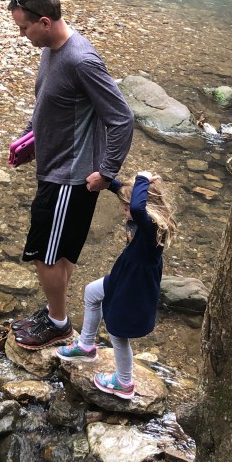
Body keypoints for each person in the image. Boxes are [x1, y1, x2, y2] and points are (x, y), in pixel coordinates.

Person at [7, 0, 134, 350]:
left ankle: (59, 324)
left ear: (45, 22)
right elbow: (48, 101)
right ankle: (54, 311)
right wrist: (29, 136)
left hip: (69, 178)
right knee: (58, 251)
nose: (21, 34)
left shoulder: (81, 61)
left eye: (24, 28)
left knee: (44, 253)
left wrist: (107, 171)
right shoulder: (51, 48)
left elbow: (122, 119)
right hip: (55, 167)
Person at [56, 171, 177, 399]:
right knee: (92, 292)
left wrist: (141, 178)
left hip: (134, 287)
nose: (124, 212)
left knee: (118, 335)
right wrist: (107, 182)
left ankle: (124, 383)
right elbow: (128, 196)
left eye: (125, 208)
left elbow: (137, 208)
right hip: (125, 276)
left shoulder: (150, 226)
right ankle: (86, 346)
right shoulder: (145, 216)